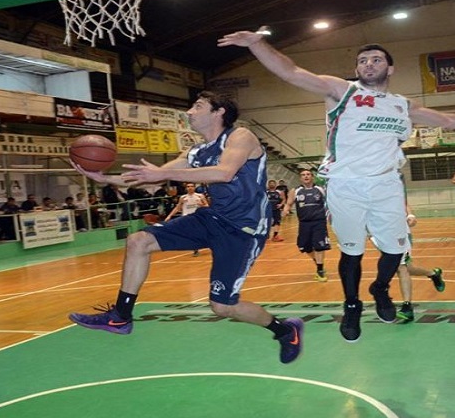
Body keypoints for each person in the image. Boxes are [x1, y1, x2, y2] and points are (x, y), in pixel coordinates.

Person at [218, 29, 455, 342]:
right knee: (351, 252)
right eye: (363, 60)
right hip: (346, 184)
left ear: (390, 68)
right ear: (357, 69)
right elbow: (291, 72)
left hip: (386, 184)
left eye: (376, 59)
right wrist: (257, 44)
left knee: (396, 250)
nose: (369, 64)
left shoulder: (402, 105)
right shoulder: (342, 91)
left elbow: (450, 121)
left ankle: (380, 288)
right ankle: (352, 304)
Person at [68, 91, 304, 364]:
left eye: (198, 106)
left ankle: (286, 330)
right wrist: (103, 177)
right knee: (138, 241)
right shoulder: (195, 151)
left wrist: (164, 174)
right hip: (211, 218)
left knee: (222, 306)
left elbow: (223, 172)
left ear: (219, 112)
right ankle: (121, 316)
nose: (189, 112)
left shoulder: (241, 136)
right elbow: (151, 181)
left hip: (243, 230)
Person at [393, 202, 445, 322]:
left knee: (401, 268)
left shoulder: (388, 186)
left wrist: (411, 215)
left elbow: (402, 201)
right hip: (382, 234)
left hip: (400, 233)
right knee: (408, 268)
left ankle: (407, 307)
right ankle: (433, 274)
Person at [282, 169, 330, 282]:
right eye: (303, 175)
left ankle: (320, 270)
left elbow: (329, 202)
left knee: (319, 246)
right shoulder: (296, 191)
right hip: (304, 223)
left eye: (308, 174)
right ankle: (317, 261)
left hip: (319, 222)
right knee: (304, 246)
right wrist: (285, 210)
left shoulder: (320, 189)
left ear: (312, 177)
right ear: (300, 178)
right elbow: (288, 204)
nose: (306, 176)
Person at [164, 182, 209, 256]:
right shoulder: (183, 197)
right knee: (190, 233)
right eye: (188, 186)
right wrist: (169, 216)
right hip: (186, 217)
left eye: (191, 186)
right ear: (186, 188)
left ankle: (198, 246)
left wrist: (201, 205)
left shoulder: (200, 196)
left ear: (194, 187)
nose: (190, 188)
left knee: (198, 233)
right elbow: (177, 208)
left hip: (197, 217)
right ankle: (195, 248)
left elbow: (207, 205)